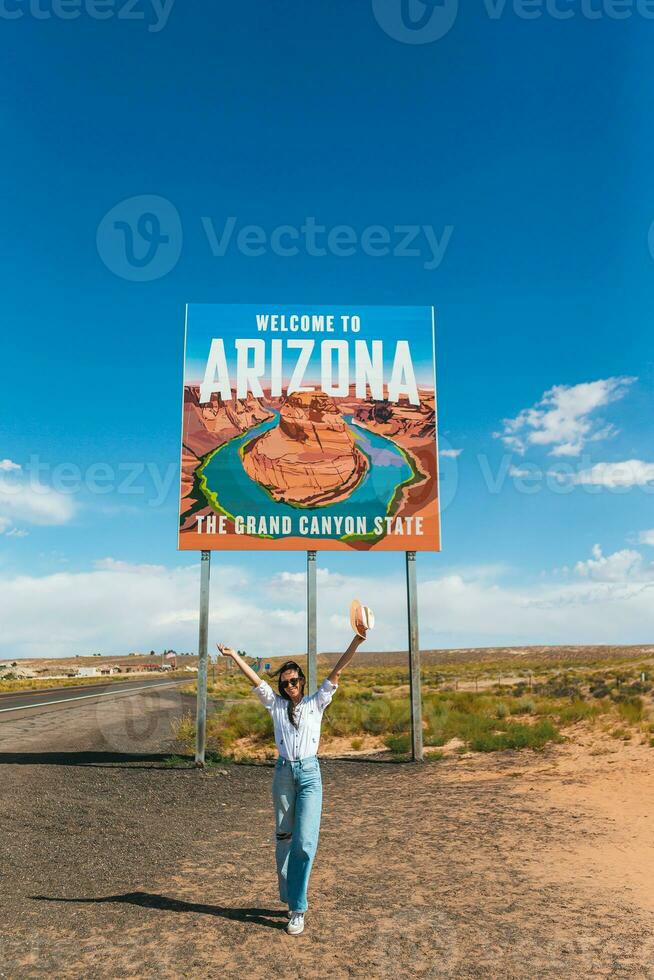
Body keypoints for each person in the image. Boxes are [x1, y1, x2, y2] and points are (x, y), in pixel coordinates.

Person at [216, 618, 368, 936]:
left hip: (310, 774)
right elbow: (256, 680)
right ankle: (289, 895)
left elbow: (338, 670)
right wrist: (234, 656)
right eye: (284, 683)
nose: (289, 687)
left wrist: (356, 641)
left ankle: (298, 909)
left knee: (305, 842)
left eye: (294, 681)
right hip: (284, 774)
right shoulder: (275, 705)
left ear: (301, 680)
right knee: (284, 839)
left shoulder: (316, 702)